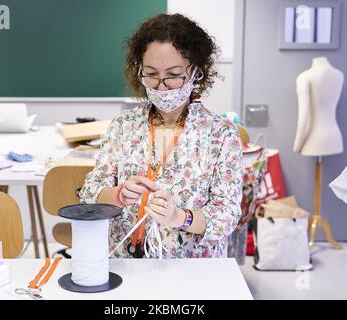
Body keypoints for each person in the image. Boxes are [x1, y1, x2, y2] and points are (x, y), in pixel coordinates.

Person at [78, 13, 243, 258]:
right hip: (125, 263)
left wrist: (180, 217)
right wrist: (119, 194)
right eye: (151, 74)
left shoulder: (220, 135)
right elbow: (90, 193)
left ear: (197, 72)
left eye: (174, 74)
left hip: (191, 269)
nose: (161, 86)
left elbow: (227, 216)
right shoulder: (124, 126)